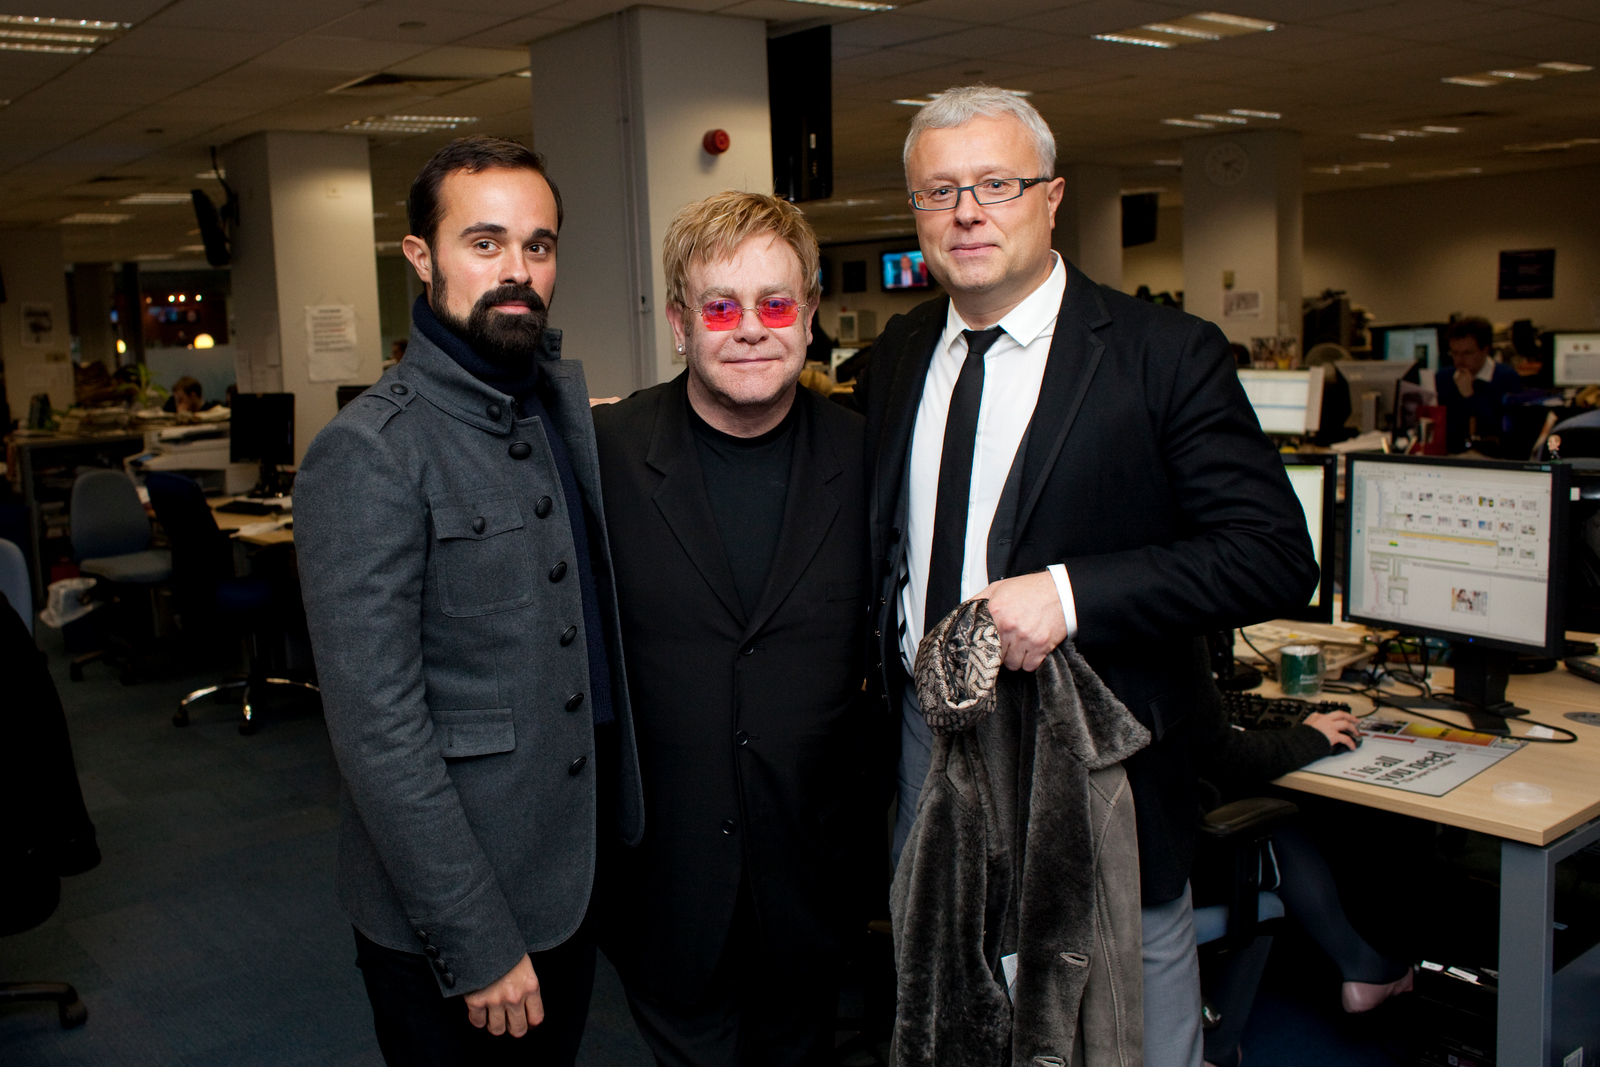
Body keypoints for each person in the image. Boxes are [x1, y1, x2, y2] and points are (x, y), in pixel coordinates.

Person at [850, 87, 1318, 1067]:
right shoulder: (898, 355)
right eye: (940, 192)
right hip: (928, 748)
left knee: (1126, 1037)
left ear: (1052, 197)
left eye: (996, 184)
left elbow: (1274, 553)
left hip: (1095, 765)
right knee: (949, 1008)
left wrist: (1068, 593)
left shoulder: (1160, 354)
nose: (966, 212)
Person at [294, 136, 643, 1067]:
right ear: (421, 256)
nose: (517, 270)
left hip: (568, 870)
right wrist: (475, 936)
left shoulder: (552, 408)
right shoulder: (370, 451)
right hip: (459, 912)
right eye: (484, 243)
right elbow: (378, 732)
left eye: (539, 244)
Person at [591, 191, 870, 1067]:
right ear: (680, 323)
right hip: (664, 878)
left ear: (811, 316)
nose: (750, 328)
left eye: (775, 304)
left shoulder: (870, 455)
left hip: (816, 876)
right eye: (720, 308)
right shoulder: (602, 452)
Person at [1435, 316, 1521, 454]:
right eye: (1454, 353)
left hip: (1493, 456)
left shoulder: (1507, 378)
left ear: (1485, 350)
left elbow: (1506, 430)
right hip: (1451, 455)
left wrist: (1471, 396)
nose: (1459, 360)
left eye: (1467, 353)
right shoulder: (1443, 377)